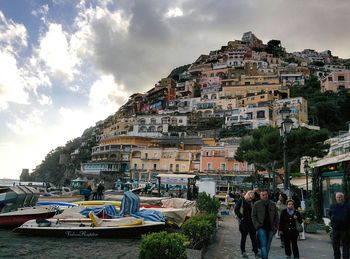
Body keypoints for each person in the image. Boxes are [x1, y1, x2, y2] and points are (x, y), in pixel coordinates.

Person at [252, 189, 279, 259]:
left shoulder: (272, 204)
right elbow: (253, 216)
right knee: (263, 245)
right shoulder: (256, 204)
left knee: (268, 245)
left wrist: (276, 226)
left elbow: (276, 216)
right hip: (261, 227)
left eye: (266, 194)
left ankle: (264, 256)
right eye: (263, 195)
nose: (265, 196)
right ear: (260, 196)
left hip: (271, 228)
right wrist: (257, 225)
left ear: (268, 195)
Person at [234, 190, 259, 258]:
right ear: (248, 194)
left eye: (253, 194)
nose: (253, 195)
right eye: (251, 194)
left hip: (252, 222)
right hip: (244, 222)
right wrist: (241, 217)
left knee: (253, 238)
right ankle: (243, 251)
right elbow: (236, 209)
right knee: (244, 237)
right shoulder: (242, 200)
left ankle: (256, 252)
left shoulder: (253, 201)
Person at [329, 192, 350, 259]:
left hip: (345, 230)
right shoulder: (332, 206)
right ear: (336, 198)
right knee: (335, 245)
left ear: (343, 198)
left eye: (340, 197)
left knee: (346, 246)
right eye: (338, 197)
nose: (339, 198)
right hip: (335, 229)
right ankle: (337, 257)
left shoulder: (348, 206)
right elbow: (330, 215)